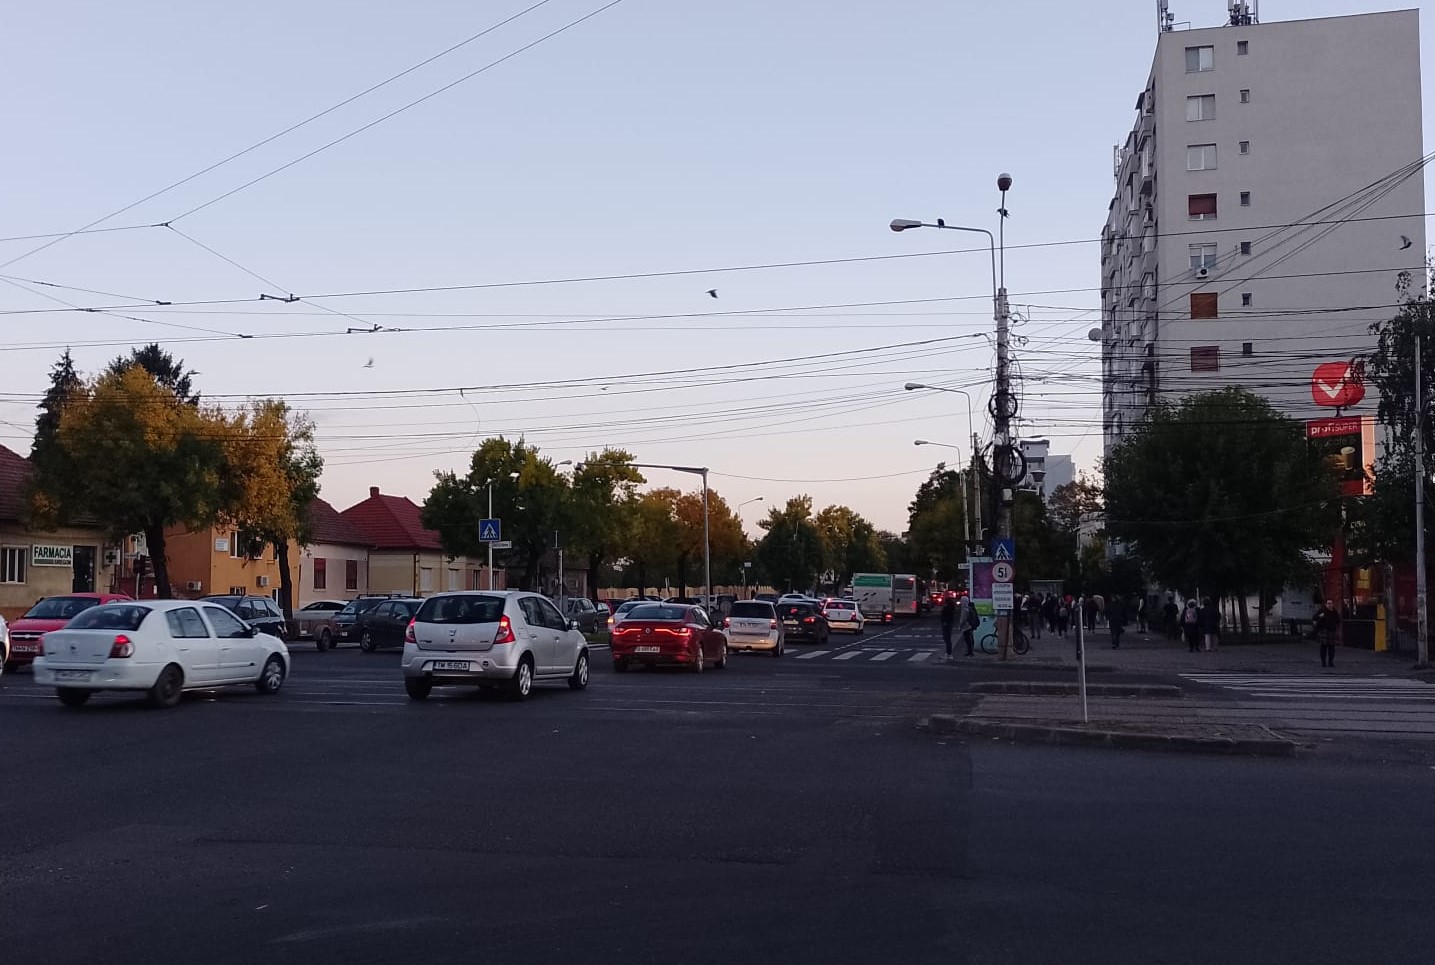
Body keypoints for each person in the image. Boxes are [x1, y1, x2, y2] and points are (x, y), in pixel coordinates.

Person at [1314, 599, 1341, 668]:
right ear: (1326, 604)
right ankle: (1323, 662)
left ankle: (1330, 662)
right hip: (1324, 630)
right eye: (1328, 603)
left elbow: (1338, 620)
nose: (1330, 605)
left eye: (1331, 603)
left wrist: (1336, 627)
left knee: (1332, 647)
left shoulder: (1335, 612)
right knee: (1323, 647)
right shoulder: (1322, 611)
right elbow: (1314, 617)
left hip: (1332, 631)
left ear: (1333, 604)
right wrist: (1319, 616)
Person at [940, 594, 957, 660]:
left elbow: (944, 616)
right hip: (948, 624)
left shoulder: (947, 608)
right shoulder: (951, 607)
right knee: (948, 639)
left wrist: (944, 621)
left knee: (947, 638)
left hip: (946, 624)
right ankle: (948, 653)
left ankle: (949, 653)